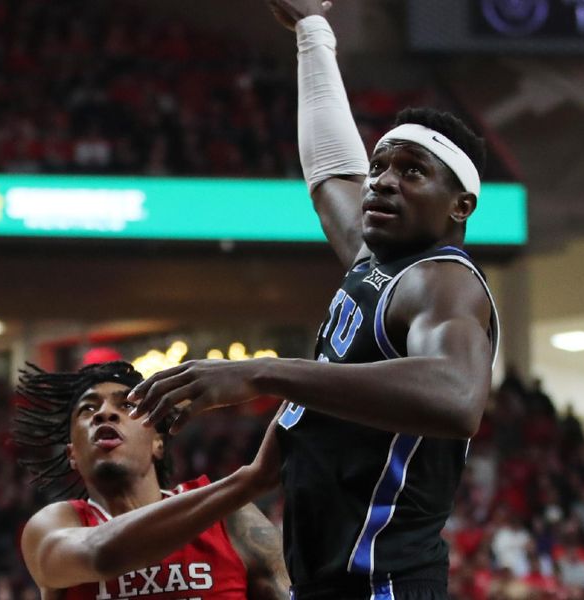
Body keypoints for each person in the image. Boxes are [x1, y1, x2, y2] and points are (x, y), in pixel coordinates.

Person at [128, 1, 500, 598]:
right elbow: (331, 167)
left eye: (412, 171)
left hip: (383, 583)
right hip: (331, 577)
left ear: (460, 206)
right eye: (380, 166)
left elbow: (457, 399)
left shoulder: (442, 278)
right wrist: (311, 30)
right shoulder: (374, 258)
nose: (381, 180)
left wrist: (265, 372)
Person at [13, 360, 289, 600]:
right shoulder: (53, 525)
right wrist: (250, 481)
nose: (104, 413)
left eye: (127, 405)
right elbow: (102, 554)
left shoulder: (232, 517)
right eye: (87, 409)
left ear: (158, 442)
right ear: (72, 454)